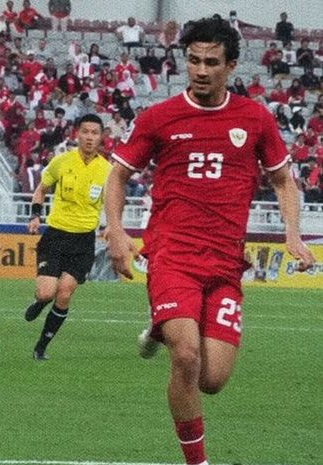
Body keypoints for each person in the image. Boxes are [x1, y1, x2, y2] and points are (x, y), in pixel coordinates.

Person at [103, 17, 315, 465]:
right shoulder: (159, 117)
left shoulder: (255, 117)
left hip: (223, 264)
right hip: (172, 255)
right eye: (193, 60)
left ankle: (161, 325)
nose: (200, 70)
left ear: (231, 66)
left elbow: (283, 180)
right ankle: (197, 462)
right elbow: (119, 174)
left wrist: (292, 234)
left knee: (212, 379)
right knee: (186, 355)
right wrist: (117, 230)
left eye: (211, 62)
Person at [23, 114, 112, 361]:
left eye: (95, 133)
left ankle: (41, 347)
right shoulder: (61, 162)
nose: (90, 137)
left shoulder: (107, 170)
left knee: (64, 293)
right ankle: (40, 302)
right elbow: (42, 188)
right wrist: (35, 215)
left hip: (83, 240)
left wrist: (111, 225)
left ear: (101, 137)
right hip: (56, 235)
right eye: (85, 132)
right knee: (46, 293)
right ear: (77, 134)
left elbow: (113, 201)